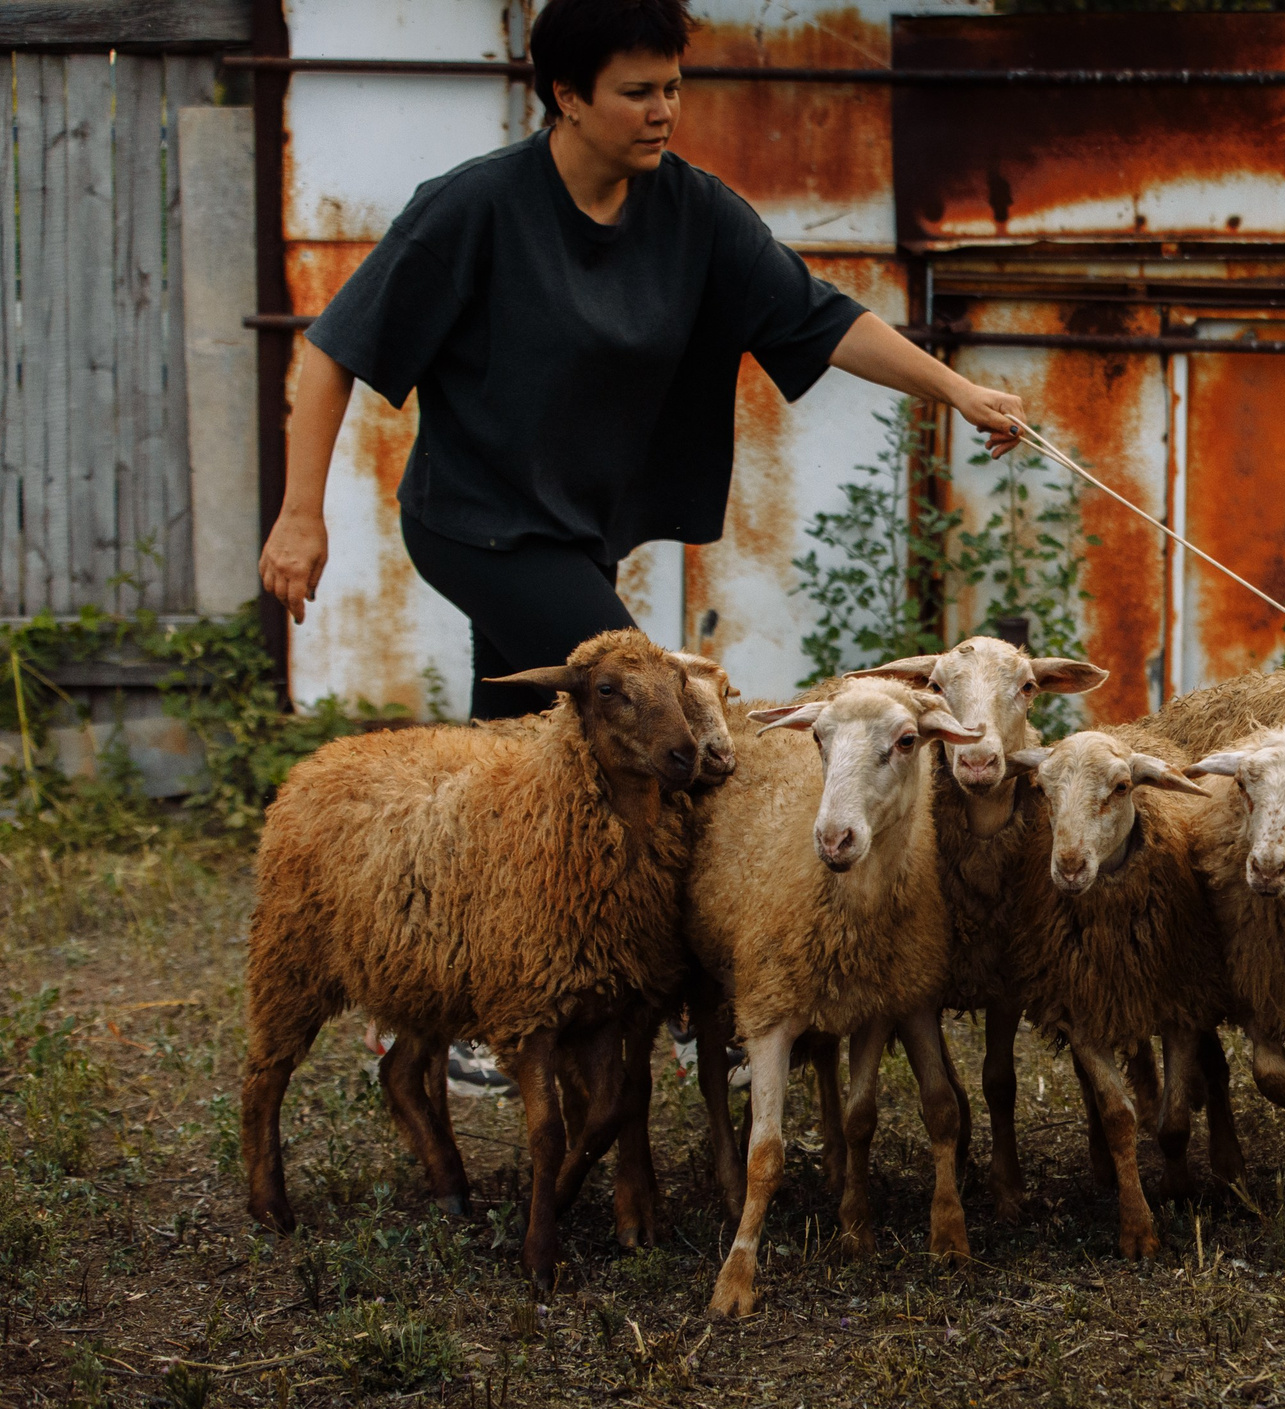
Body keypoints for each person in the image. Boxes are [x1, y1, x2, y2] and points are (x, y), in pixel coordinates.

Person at [257, 0, 1023, 1093]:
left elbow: (815, 317)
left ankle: (444, 1000)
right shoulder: (473, 209)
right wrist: (299, 514)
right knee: (677, 726)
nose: (663, 109)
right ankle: (699, 984)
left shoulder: (692, 213)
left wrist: (956, 388)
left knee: (515, 774)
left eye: (672, 85)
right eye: (636, 90)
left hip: (576, 530)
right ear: (567, 97)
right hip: (475, 522)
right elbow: (334, 351)